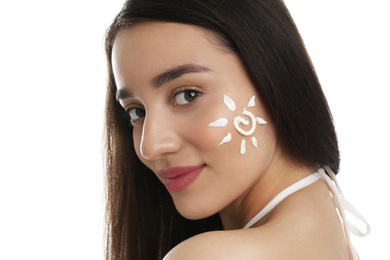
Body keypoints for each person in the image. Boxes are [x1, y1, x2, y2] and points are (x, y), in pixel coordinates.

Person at [103, 0, 370, 259]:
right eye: (136, 112)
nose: (150, 146)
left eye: (187, 95)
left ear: (273, 78)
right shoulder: (326, 218)